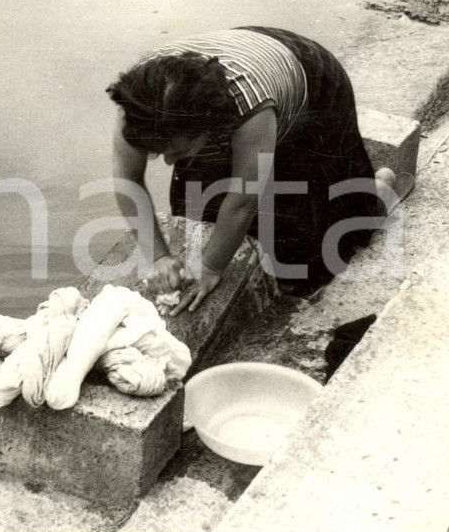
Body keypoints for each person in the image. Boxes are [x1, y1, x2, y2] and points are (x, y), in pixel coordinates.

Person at [107, 26, 394, 315]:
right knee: (199, 211)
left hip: (309, 78)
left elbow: (243, 201)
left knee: (316, 225)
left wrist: (209, 268)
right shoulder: (136, 106)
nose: (169, 163)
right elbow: (128, 181)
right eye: (161, 152)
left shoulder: (249, 108)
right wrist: (159, 257)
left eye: (178, 152)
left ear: (211, 126)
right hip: (232, 70)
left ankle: (377, 193)